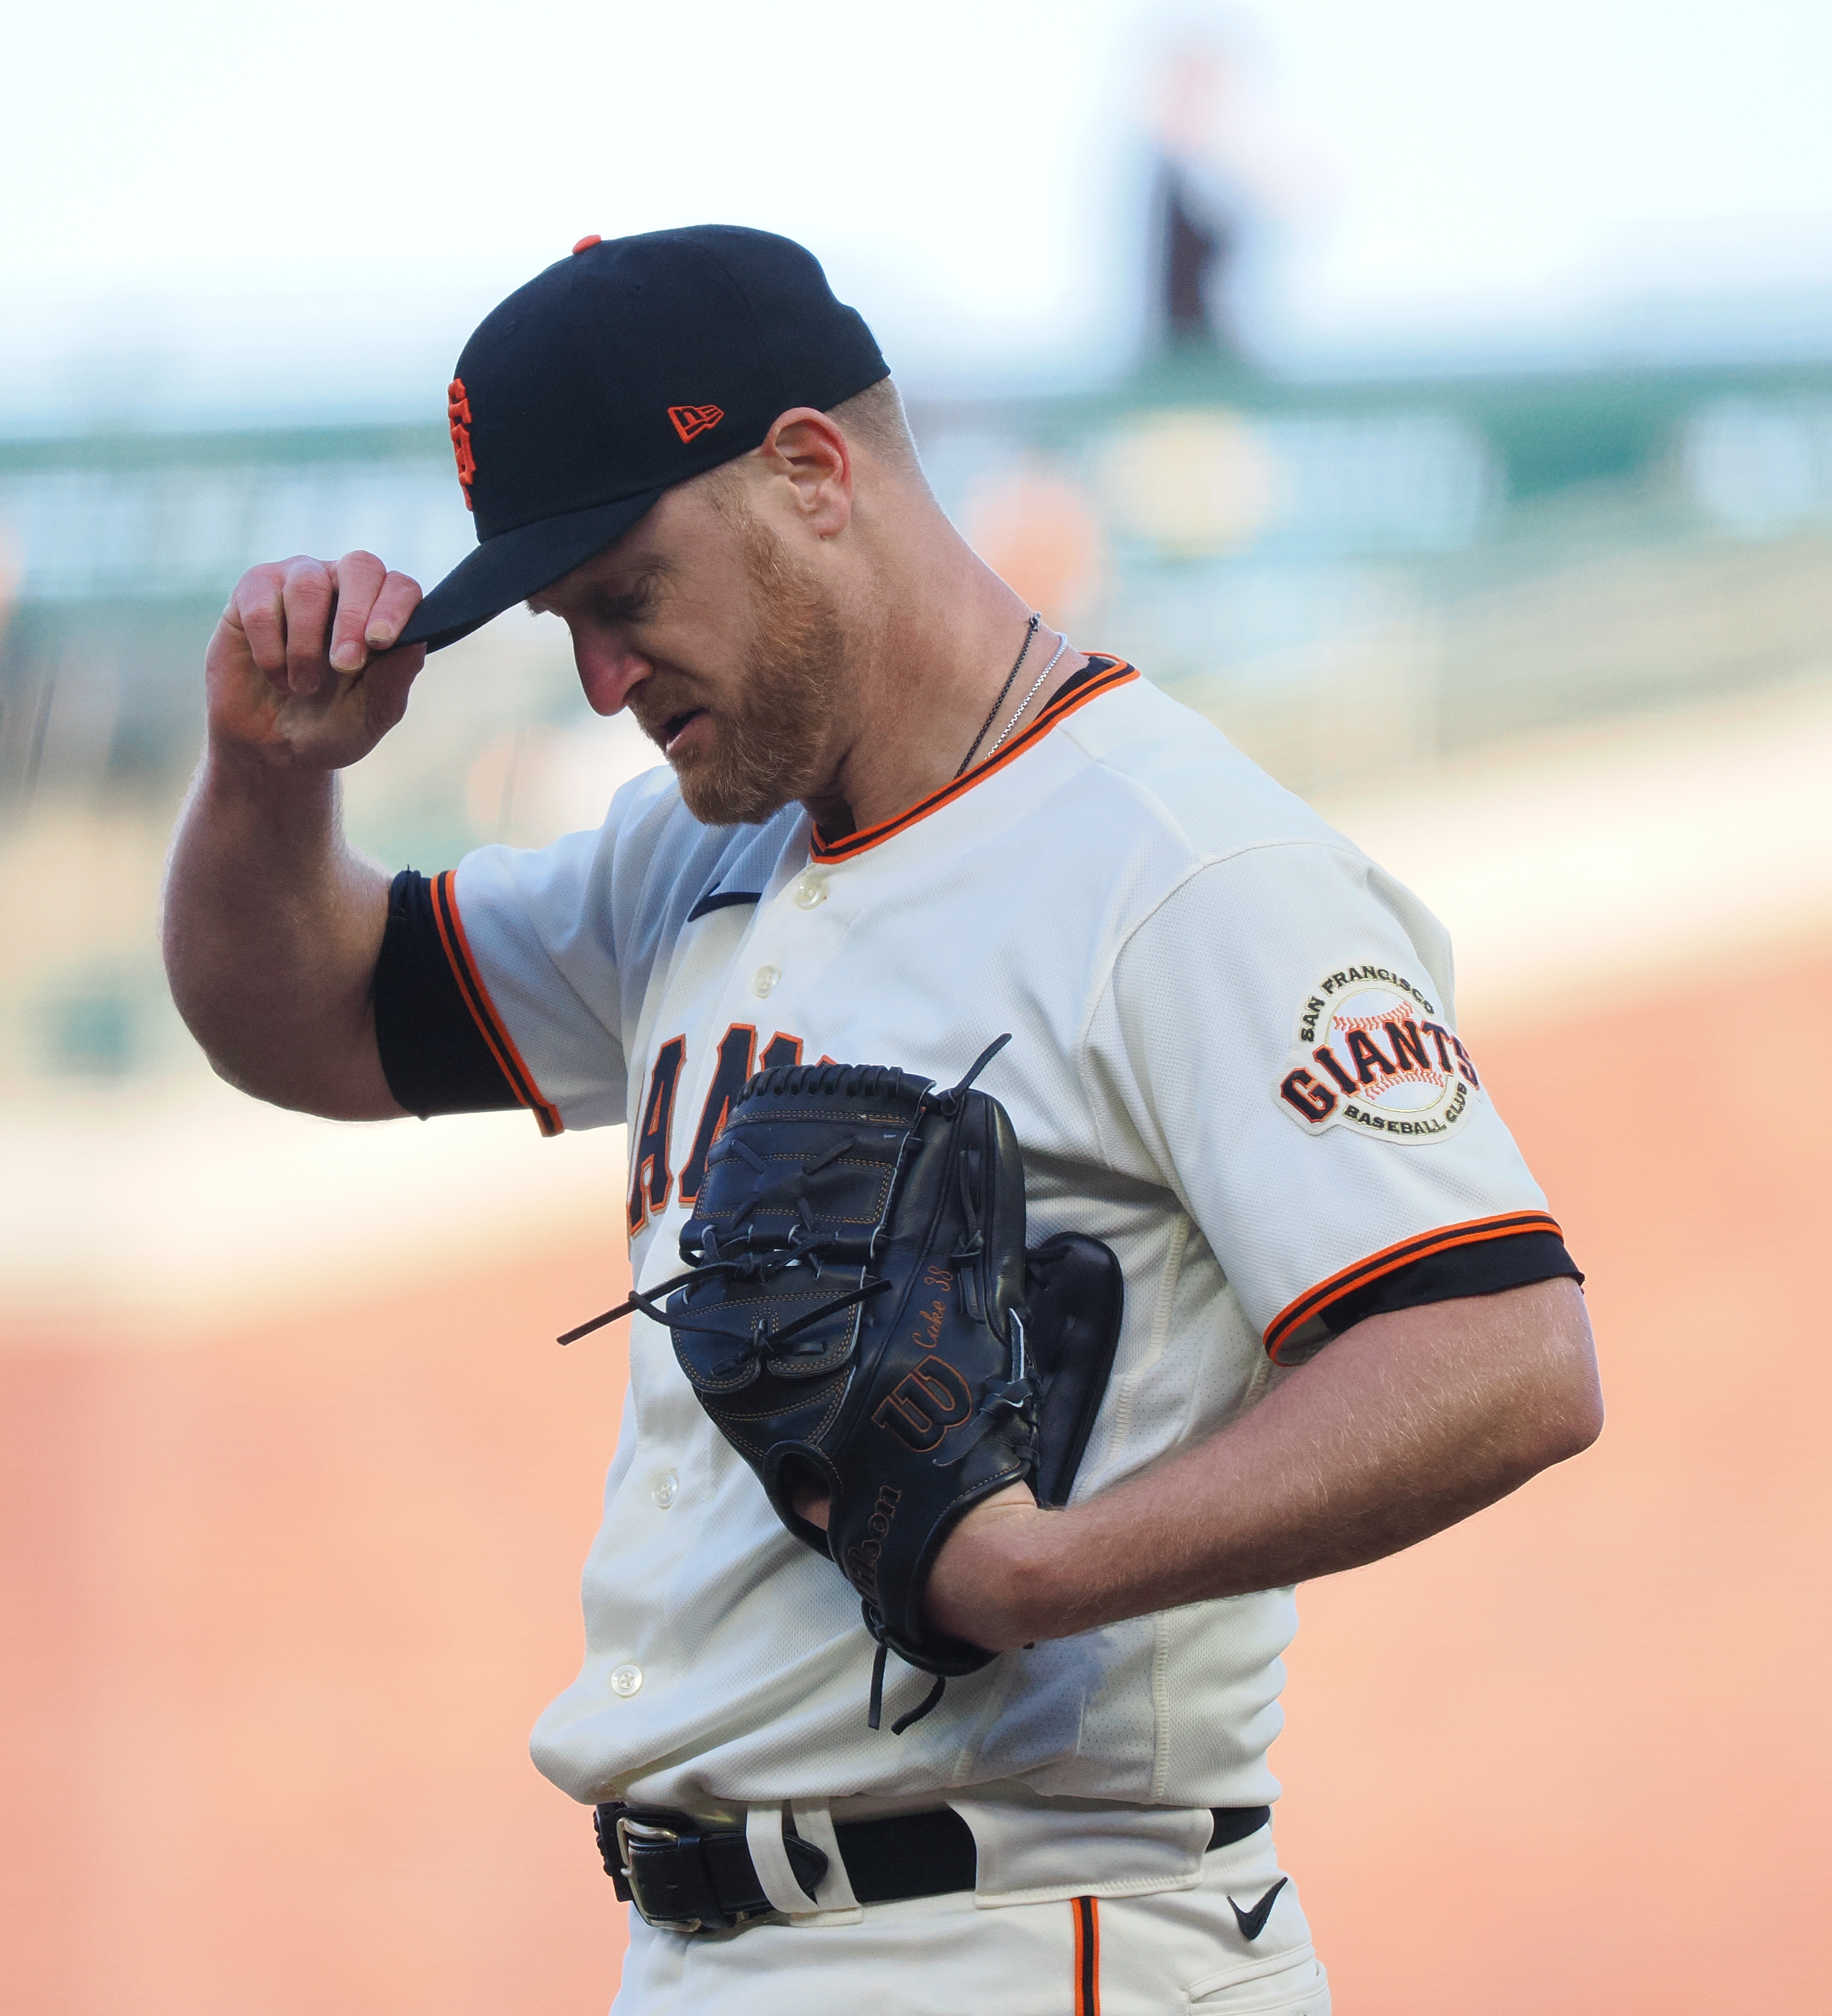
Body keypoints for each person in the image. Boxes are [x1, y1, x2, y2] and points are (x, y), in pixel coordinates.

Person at [162, 225, 1601, 2015]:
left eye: (621, 591)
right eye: (565, 625)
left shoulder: (1182, 866)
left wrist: (1038, 1573)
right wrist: (264, 780)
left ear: (810, 474)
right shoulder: (696, 855)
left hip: (1028, 1927)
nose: (602, 678)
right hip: (699, 1947)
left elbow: (1506, 1349)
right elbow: (310, 1025)